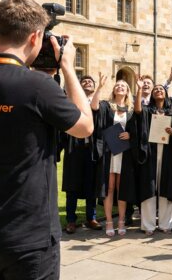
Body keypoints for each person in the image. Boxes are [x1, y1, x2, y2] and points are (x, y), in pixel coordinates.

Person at [0, 0, 93, 279]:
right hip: (27, 239)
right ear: (35, 36)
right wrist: (68, 69)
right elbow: (84, 126)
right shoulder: (36, 86)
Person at [91, 78, 137, 237]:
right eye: (117, 85)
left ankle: (122, 221)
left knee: (121, 188)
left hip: (125, 153)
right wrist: (99, 87)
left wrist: (130, 134)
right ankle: (110, 221)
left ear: (128, 91)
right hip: (109, 152)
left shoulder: (131, 109)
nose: (120, 87)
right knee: (109, 188)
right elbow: (93, 107)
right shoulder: (106, 106)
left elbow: (138, 129)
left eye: (123, 85)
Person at [134, 81, 172, 235]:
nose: (158, 91)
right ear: (152, 95)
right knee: (149, 187)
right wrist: (140, 89)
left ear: (165, 93)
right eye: (156, 89)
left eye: (161, 89)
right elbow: (137, 111)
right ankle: (148, 225)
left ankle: (165, 224)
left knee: (166, 187)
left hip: (167, 154)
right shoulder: (148, 110)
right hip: (150, 152)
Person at [61, 74, 102, 234]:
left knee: (91, 185)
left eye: (90, 81)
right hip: (74, 150)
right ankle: (71, 220)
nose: (87, 83)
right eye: (83, 81)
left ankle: (91, 217)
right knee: (72, 186)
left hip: (91, 150)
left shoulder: (100, 104)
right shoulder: (72, 103)